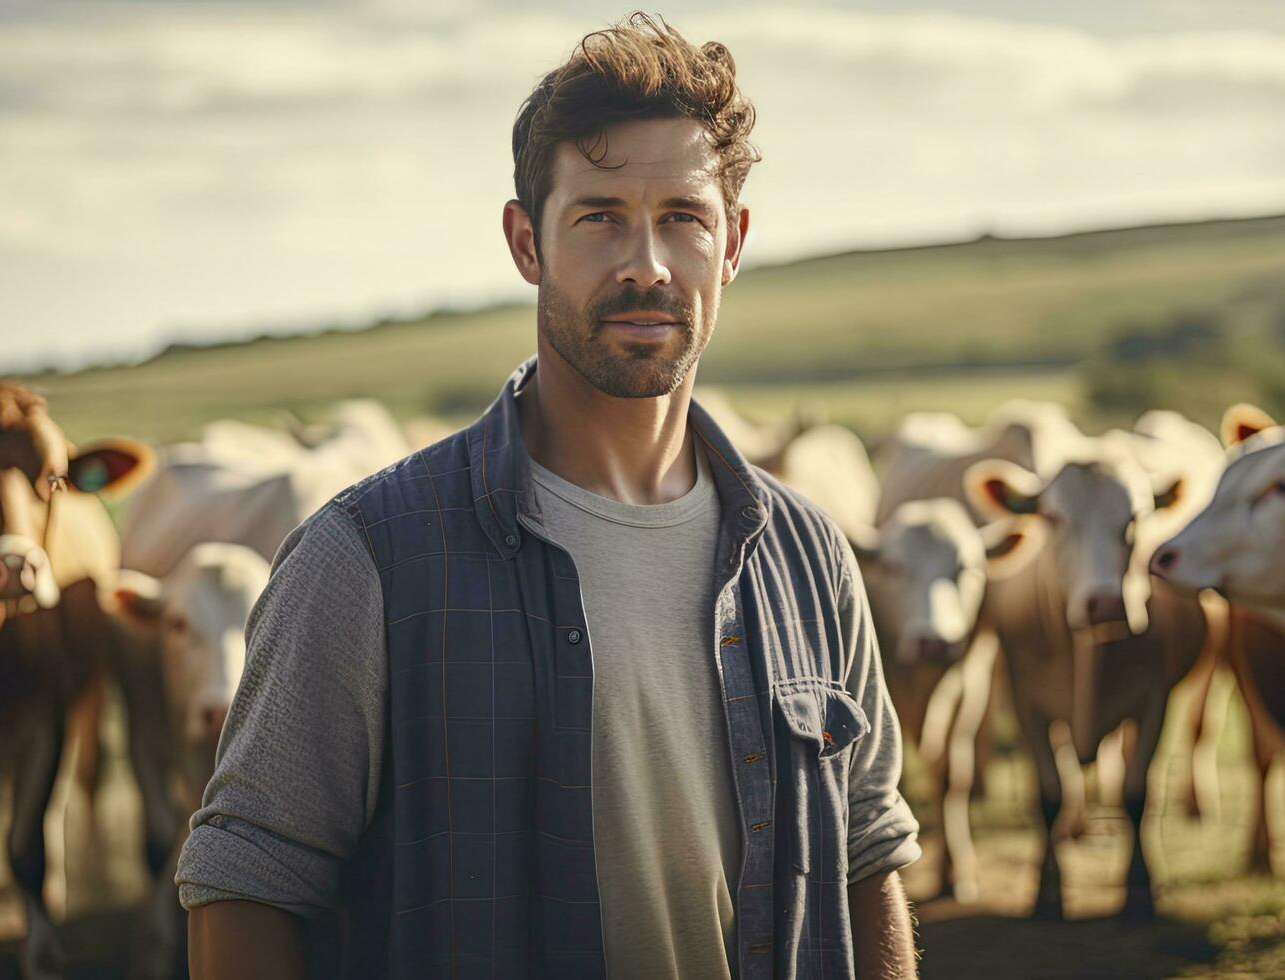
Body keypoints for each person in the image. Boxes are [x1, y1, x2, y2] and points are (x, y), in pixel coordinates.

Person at [177, 13, 921, 978]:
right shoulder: (365, 557)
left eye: (682, 219)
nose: (646, 265)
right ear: (527, 241)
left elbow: (864, 851)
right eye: (599, 215)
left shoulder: (808, 556)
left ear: (731, 243)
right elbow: (249, 885)